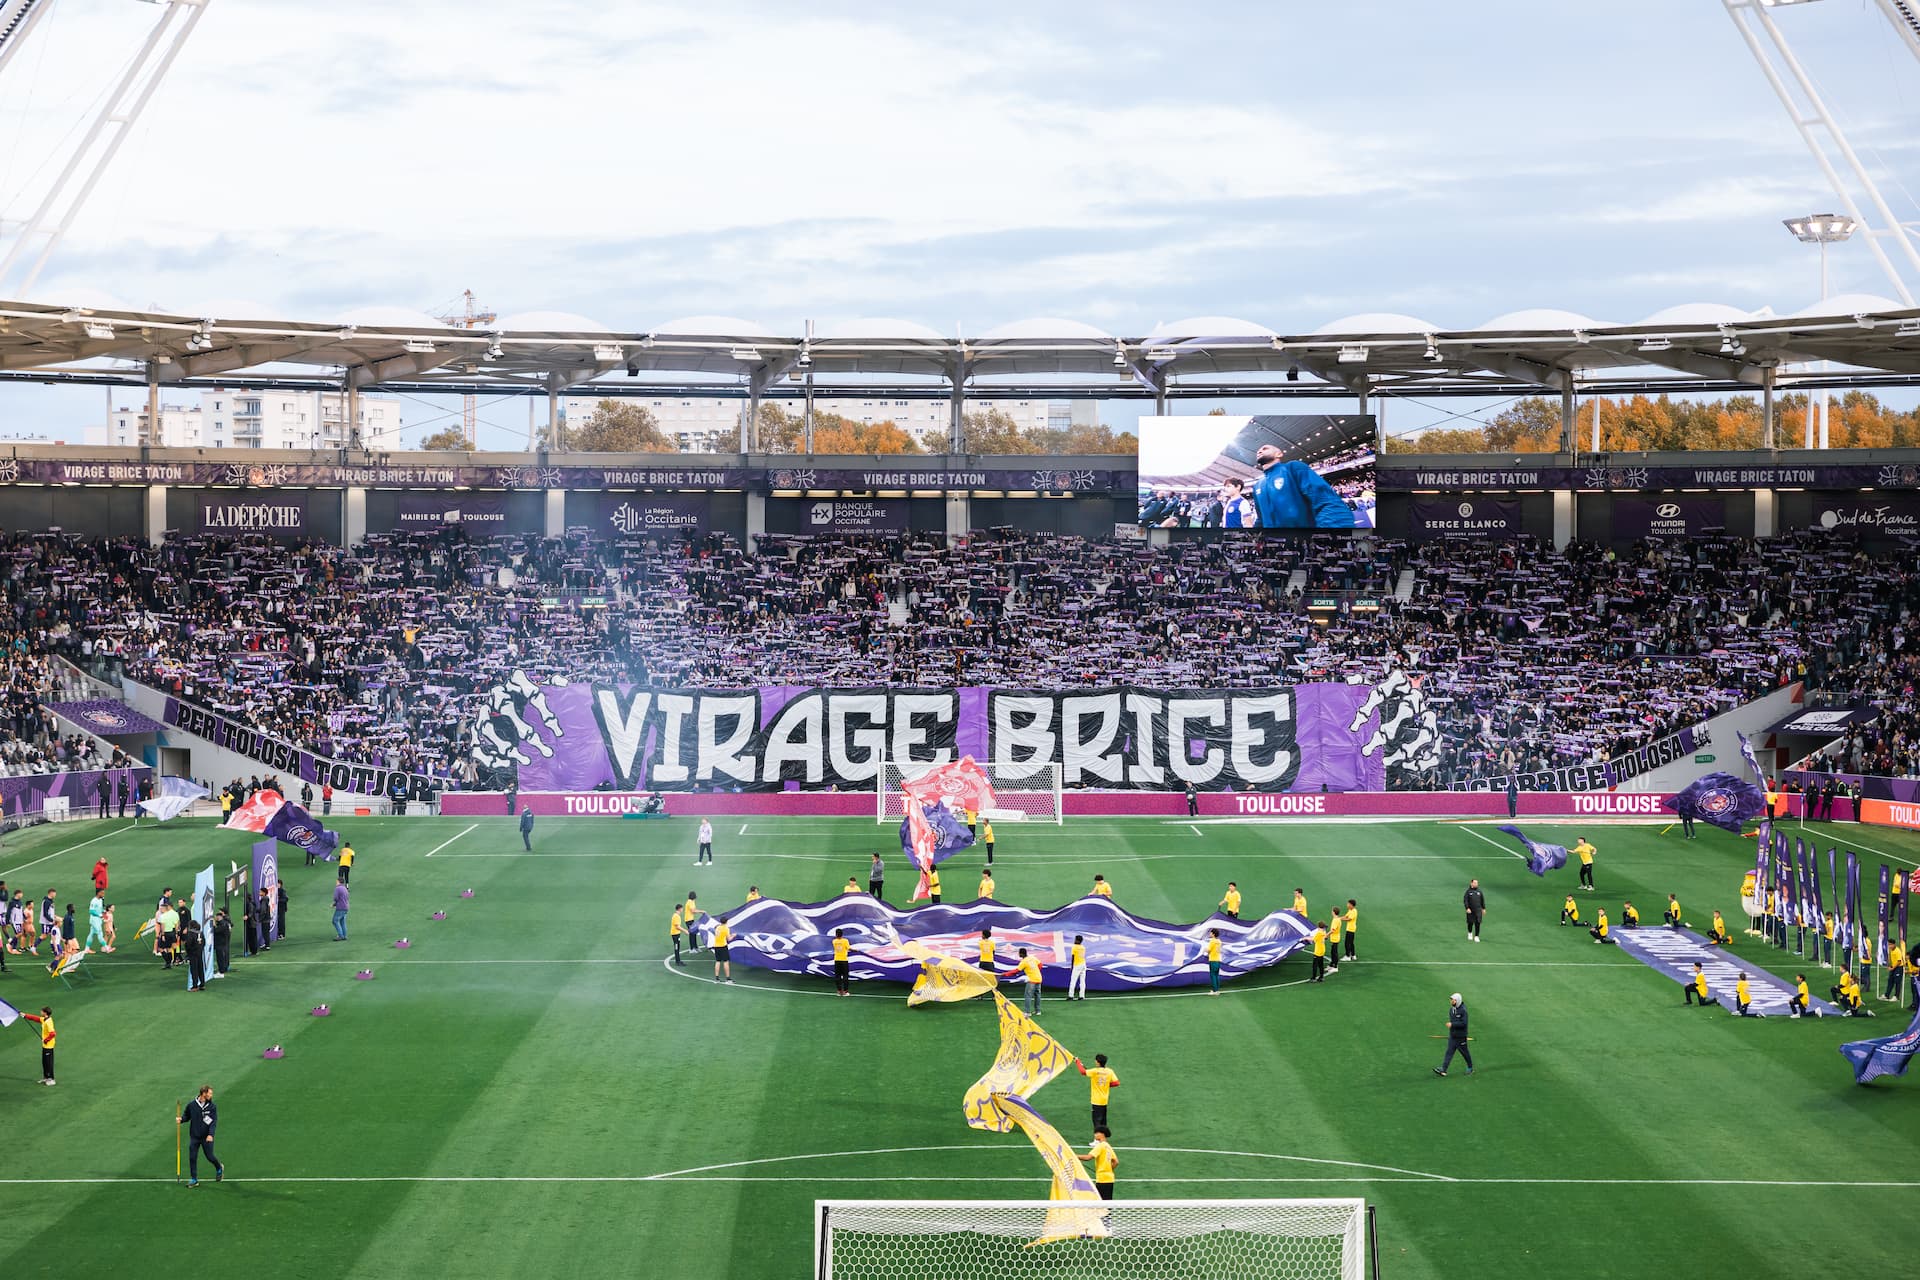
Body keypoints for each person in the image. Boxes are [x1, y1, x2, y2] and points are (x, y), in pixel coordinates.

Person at [1248, 441, 1354, 529]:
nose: (1259, 451)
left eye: (1265, 448)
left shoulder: (1293, 468)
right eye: (1258, 450)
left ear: (1279, 454)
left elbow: (1327, 502)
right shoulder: (1257, 486)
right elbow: (1261, 519)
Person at [178, 1086, 225, 1186]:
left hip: (206, 1137)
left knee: (210, 1156)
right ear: (204, 1093)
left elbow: (213, 1122)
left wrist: (210, 1134)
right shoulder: (191, 1105)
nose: (211, 1095)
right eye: (210, 1093)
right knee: (192, 1157)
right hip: (194, 1137)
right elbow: (187, 1116)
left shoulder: (212, 1107)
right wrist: (181, 1119)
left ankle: (219, 1167)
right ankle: (194, 1179)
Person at [1076, 1053, 1119, 1131]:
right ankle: (1104, 1136)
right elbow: (1116, 1083)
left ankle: (1098, 1137)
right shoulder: (1110, 1071)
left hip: (1096, 1101)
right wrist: (1106, 1085)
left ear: (1097, 1062)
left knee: (1097, 1123)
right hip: (1104, 1101)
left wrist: (1077, 1061)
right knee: (1103, 1122)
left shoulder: (1095, 1071)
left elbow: (1082, 1072)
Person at [1433, 993, 1472, 1077]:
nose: (1451, 1001)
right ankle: (1443, 1069)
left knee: (1465, 1053)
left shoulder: (1463, 1010)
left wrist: (1452, 1024)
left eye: (1453, 1000)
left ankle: (1470, 1068)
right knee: (1449, 1052)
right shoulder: (1451, 1010)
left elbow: (1464, 1023)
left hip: (1461, 1037)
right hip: (1453, 1036)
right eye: (1451, 1000)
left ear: (1457, 1001)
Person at [1077, 1127, 1119, 1200]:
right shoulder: (1108, 1146)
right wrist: (1108, 1170)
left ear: (1102, 1134)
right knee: (1106, 1201)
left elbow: (1088, 1157)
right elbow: (1116, 1162)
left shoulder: (1100, 1146)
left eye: (1096, 1133)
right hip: (1109, 1178)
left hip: (1102, 1179)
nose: (1095, 1135)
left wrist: (1074, 1156)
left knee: (1100, 1202)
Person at [20, 1006, 55, 1085]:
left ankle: (51, 1079)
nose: (40, 1012)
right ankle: (46, 1078)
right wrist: (25, 1015)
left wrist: (45, 1040)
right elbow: (35, 1018)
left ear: (45, 1013)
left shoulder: (48, 1022)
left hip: (49, 1045)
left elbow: (53, 1033)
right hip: (45, 1045)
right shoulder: (44, 1019)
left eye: (42, 1011)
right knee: (44, 1062)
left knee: (48, 1062)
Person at [1004, 946, 1042, 1015]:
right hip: (1039, 978)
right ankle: (1038, 1011)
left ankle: (1027, 1012)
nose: (1018, 954)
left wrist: (1006, 974)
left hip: (1032, 980)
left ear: (1021, 954)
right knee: (1037, 995)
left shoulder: (1024, 962)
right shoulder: (1032, 958)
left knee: (1028, 996)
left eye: (1019, 953)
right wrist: (1035, 971)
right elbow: (1040, 964)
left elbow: (1016, 971)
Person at [182, 912, 207, 991]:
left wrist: (188, 951)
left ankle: (195, 986)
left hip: (193, 953)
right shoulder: (200, 933)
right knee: (200, 968)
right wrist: (200, 949)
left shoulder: (191, 933)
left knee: (194, 970)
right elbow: (204, 943)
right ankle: (202, 984)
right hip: (199, 952)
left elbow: (188, 943)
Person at [711, 914, 734, 984]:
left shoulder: (718, 927)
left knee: (718, 961)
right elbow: (729, 939)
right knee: (726, 962)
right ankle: (728, 979)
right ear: (726, 922)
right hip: (723, 946)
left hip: (716, 946)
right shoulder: (726, 928)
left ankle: (717, 978)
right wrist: (733, 935)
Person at [1888, 935, 1908, 1004]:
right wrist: (1890, 966)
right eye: (1889, 944)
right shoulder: (1891, 950)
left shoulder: (1897, 951)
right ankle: (1887, 995)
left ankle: (1896, 996)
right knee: (1890, 981)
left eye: (1890, 944)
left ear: (1894, 944)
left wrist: (1892, 968)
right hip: (1894, 967)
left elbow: (1899, 961)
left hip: (1899, 968)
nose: (1889, 946)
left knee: (1897, 982)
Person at [211, 909, 232, 979]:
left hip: (221, 944)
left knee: (220, 958)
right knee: (221, 958)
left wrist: (214, 925)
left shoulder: (223, 924)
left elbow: (216, 931)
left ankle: (221, 972)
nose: (215, 918)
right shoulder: (224, 923)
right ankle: (222, 970)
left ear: (219, 917)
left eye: (216, 917)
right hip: (223, 943)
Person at [1068, 934, 1089, 1001]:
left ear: (1077, 940)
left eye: (1075, 939)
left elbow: (1073, 957)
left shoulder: (1074, 947)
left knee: (1073, 980)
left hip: (1077, 965)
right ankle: (1082, 996)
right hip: (1083, 964)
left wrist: (1072, 966)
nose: (1074, 940)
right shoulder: (1083, 947)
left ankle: (1071, 995)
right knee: (1082, 981)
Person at [831, 929, 852, 996]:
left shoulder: (834, 941)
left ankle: (839, 991)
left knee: (838, 976)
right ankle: (845, 992)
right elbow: (849, 948)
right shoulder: (845, 941)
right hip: (844, 960)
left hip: (837, 960)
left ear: (836, 934)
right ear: (842, 934)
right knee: (845, 976)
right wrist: (856, 950)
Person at [1325, 908, 1343, 974]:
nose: (1331, 912)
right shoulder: (1338, 919)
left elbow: (1333, 930)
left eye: (1332, 911)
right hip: (1335, 937)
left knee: (1334, 953)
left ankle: (1335, 967)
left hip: (1335, 938)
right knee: (1333, 952)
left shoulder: (1335, 920)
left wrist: (1327, 935)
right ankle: (1332, 965)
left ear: (1334, 912)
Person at [1208, 928, 1224, 994]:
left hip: (1213, 960)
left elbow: (1209, 950)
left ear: (1213, 934)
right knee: (1216, 975)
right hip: (1218, 960)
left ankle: (1215, 991)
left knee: (1213, 975)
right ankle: (1217, 990)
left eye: (1211, 933)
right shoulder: (1219, 941)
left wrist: (1204, 950)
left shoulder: (1212, 941)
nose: (1210, 934)